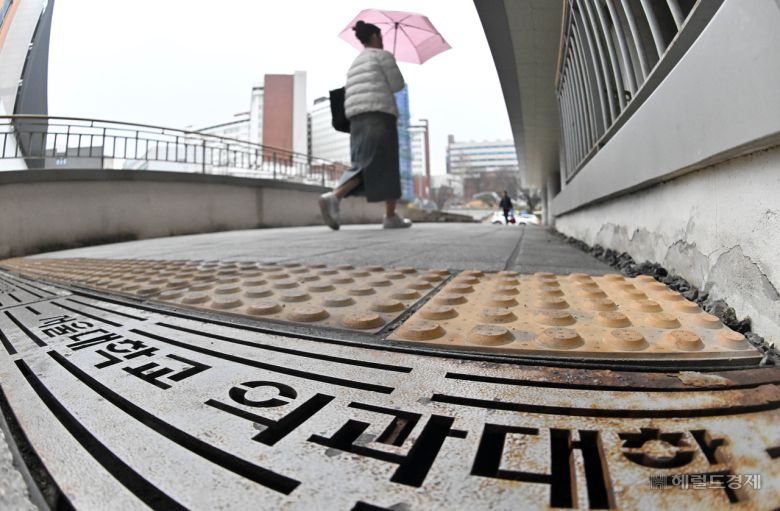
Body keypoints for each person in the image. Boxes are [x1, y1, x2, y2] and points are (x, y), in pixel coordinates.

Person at [319, 20, 411, 230]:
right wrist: (391, 61)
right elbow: (397, 85)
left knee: (366, 162)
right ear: (376, 36)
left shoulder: (356, 62)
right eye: (381, 37)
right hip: (379, 115)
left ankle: (390, 215)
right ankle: (335, 197)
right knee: (381, 164)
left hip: (356, 118)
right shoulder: (382, 56)